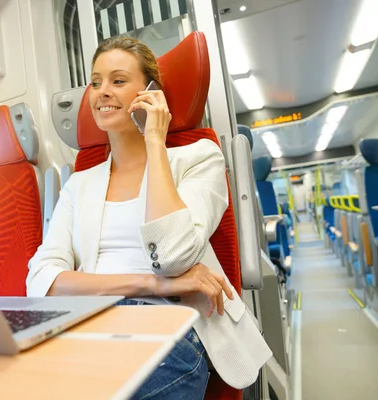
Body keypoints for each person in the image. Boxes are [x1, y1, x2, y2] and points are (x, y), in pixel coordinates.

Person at [27, 36, 271, 399]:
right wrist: (153, 285)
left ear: (151, 93)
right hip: (93, 321)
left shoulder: (200, 158)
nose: (102, 92)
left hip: (168, 325)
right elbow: (42, 280)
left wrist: (155, 141)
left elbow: (174, 257)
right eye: (95, 82)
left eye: (118, 80)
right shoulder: (79, 184)